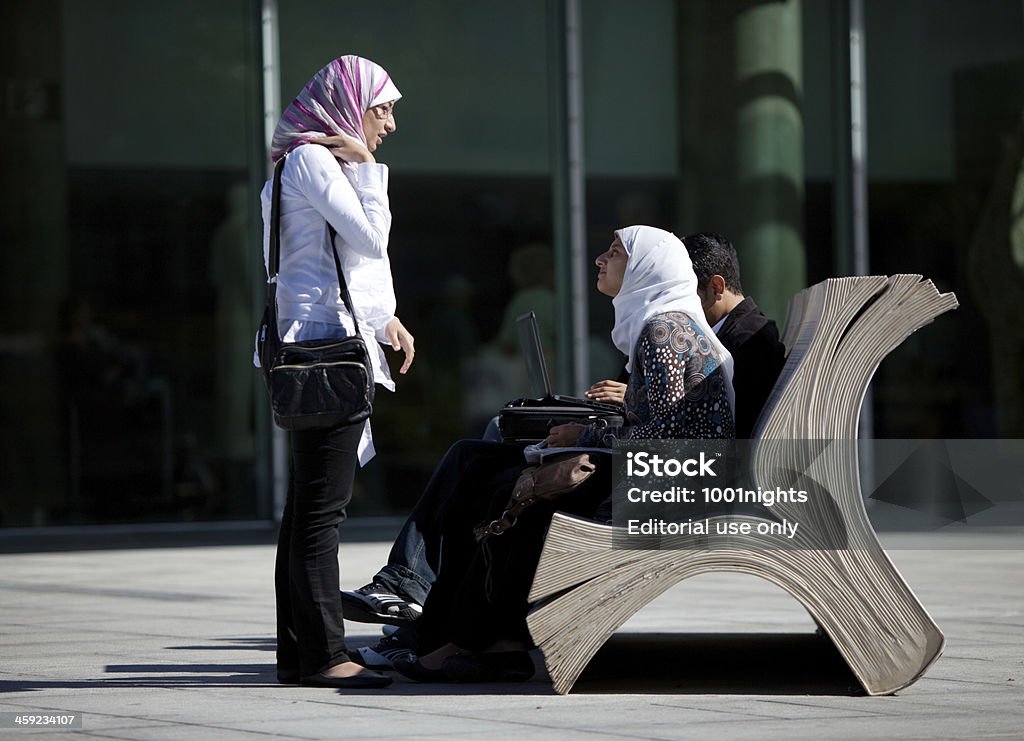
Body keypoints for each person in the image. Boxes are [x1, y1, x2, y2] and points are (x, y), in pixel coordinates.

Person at [392, 225, 735, 682]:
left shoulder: (663, 331)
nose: (600, 259)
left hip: (669, 489)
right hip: (667, 478)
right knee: (486, 470)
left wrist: (586, 437)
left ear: (646, 269)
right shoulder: (665, 324)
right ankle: (462, 636)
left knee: (507, 492)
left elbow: (667, 444)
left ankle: (479, 643)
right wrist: (584, 432)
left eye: (615, 253)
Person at [262, 55, 414, 690]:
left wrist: (385, 317)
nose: (389, 125)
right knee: (322, 513)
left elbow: (335, 263)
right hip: (327, 354)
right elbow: (370, 240)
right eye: (383, 109)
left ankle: (300, 654)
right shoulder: (314, 161)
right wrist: (368, 169)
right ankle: (327, 655)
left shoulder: (296, 164)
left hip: (315, 345)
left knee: (305, 510)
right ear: (351, 105)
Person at [682, 232, 786, 439]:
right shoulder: (741, 332)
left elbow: (726, 422)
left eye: (683, 292)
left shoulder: (749, 342)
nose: (676, 303)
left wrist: (642, 401)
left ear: (716, 287)